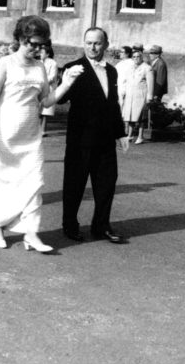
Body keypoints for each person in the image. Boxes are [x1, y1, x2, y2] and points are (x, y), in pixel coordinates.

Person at [0, 17, 83, 252]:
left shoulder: (39, 66)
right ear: (21, 39)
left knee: (34, 183)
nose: (38, 49)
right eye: (33, 44)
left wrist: (67, 83)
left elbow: (46, 101)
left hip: (31, 136)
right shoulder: (4, 64)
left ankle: (31, 233)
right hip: (3, 135)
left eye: (42, 45)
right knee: (0, 182)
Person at [58, 27, 129, 245]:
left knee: (106, 184)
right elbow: (60, 99)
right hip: (80, 140)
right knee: (75, 184)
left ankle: (101, 226)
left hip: (105, 140)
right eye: (88, 43)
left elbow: (113, 104)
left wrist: (121, 133)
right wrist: (66, 81)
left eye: (97, 43)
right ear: (84, 43)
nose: (93, 47)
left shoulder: (111, 71)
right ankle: (70, 225)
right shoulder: (73, 68)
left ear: (106, 45)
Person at [120, 48, 154, 145]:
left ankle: (140, 136)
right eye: (134, 57)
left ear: (141, 57)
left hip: (141, 95)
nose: (136, 58)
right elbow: (126, 81)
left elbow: (150, 84)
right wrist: (124, 91)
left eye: (138, 57)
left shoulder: (147, 68)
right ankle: (130, 135)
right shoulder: (130, 68)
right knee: (130, 115)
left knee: (140, 117)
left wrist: (149, 97)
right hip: (130, 95)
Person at [39, 42, 58, 135]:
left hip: (48, 88)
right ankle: (36, 129)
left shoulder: (53, 63)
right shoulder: (38, 62)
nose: (40, 54)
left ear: (47, 54)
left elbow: (53, 76)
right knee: (38, 110)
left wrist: (43, 82)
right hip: (39, 87)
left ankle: (43, 130)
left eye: (42, 52)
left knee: (46, 111)